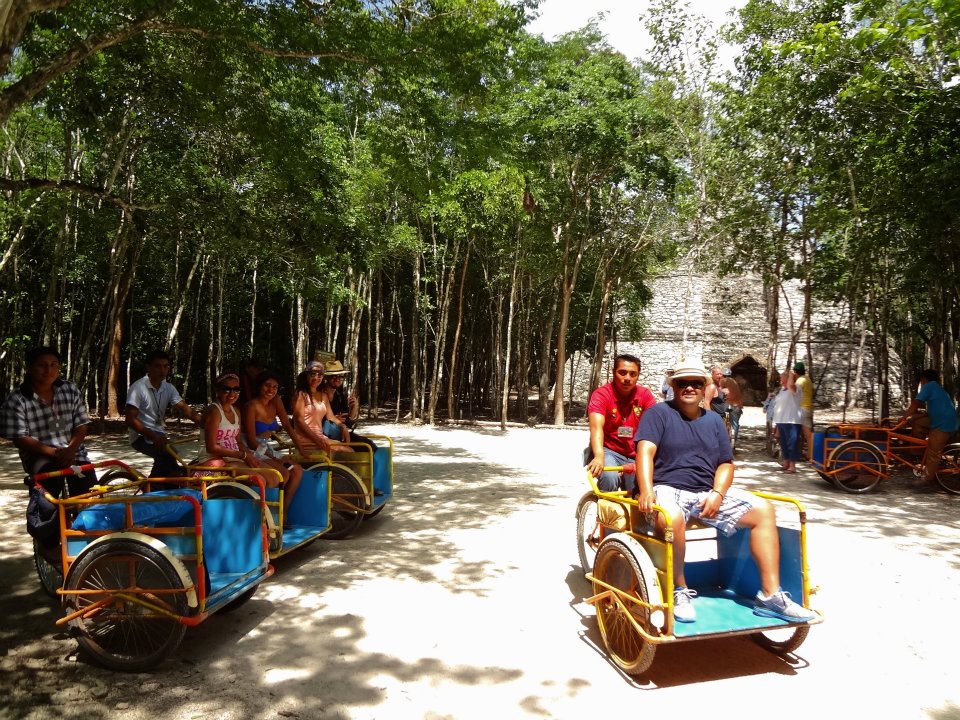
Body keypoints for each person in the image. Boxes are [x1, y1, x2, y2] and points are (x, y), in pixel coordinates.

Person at [634, 358, 815, 624]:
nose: (689, 388)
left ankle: (770, 595)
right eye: (683, 383)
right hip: (669, 488)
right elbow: (645, 452)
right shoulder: (659, 414)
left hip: (706, 492)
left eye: (695, 383)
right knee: (672, 518)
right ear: (674, 386)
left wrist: (718, 493)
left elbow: (725, 464)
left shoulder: (715, 422)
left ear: (705, 387)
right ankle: (679, 589)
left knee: (764, 510)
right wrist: (647, 490)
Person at [2, 346, 97, 498]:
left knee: (88, 492)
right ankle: (47, 520)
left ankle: (81, 519)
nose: (48, 370)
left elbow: (81, 425)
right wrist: (54, 453)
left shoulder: (70, 390)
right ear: (29, 368)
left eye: (53, 364)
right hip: (38, 456)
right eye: (42, 365)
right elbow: (20, 438)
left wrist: (71, 449)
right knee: (47, 498)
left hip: (74, 452)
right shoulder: (17, 400)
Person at [586, 354, 658, 493]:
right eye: (622, 373)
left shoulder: (645, 395)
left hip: (636, 452)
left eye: (633, 374)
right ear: (613, 372)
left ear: (638, 376)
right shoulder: (602, 395)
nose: (627, 378)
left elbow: (655, 427)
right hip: (609, 450)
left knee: (639, 487)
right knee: (609, 476)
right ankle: (605, 513)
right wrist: (599, 455)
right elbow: (596, 428)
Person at [125, 350, 202, 477]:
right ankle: (152, 492)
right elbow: (130, 419)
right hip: (140, 436)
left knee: (174, 464)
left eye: (166, 366)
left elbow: (186, 410)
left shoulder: (168, 388)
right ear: (148, 367)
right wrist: (153, 436)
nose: (162, 370)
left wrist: (207, 424)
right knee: (165, 456)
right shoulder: (138, 388)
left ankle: (157, 487)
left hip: (159, 434)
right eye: (157, 366)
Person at [242, 370, 305, 515]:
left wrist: (301, 449)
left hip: (266, 448)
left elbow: (288, 426)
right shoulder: (251, 406)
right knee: (284, 472)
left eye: (275, 387)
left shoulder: (276, 401)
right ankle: (273, 515)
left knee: (297, 469)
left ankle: (284, 511)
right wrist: (274, 456)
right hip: (254, 450)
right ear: (259, 386)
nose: (270, 390)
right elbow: (251, 441)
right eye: (267, 385)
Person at [894, 368, 959, 489]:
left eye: (921, 381)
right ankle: (920, 451)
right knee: (915, 421)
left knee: (934, 452)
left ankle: (926, 479)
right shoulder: (937, 388)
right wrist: (912, 418)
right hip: (940, 420)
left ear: (924, 379)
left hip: (944, 424)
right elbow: (929, 412)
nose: (921, 384)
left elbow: (915, 404)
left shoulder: (929, 386)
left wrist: (904, 417)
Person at [291, 361, 355, 454]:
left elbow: (331, 416)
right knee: (349, 452)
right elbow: (299, 421)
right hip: (305, 439)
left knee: (351, 448)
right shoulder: (301, 394)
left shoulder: (323, 395)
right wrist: (317, 439)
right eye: (313, 374)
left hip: (320, 437)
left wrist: (343, 427)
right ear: (307, 375)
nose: (316, 378)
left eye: (320, 375)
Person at [705, 366, 744, 451]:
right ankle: (733, 443)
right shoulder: (733, 382)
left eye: (721, 374)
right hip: (735, 406)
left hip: (730, 406)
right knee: (734, 425)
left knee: (729, 424)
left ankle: (729, 442)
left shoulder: (723, 382)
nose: (721, 376)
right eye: (718, 374)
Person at [771, 368, 802, 472]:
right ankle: (786, 462)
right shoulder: (781, 390)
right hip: (781, 420)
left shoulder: (796, 387)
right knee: (784, 443)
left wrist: (790, 375)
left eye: (782, 376)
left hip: (791, 420)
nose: (780, 378)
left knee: (792, 443)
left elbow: (790, 386)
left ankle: (792, 466)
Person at [793, 361, 814, 459]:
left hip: (803, 408)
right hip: (808, 407)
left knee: (807, 433)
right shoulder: (807, 379)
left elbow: (794, 392)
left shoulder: (800, 381)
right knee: (806, 433)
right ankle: (806, 454)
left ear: (796, 372)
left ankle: (811, 455)